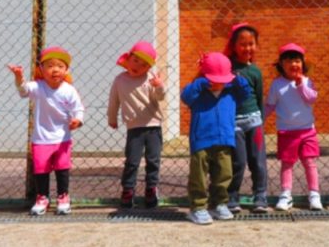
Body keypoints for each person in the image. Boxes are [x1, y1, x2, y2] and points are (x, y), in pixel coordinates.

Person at [7, 46, 84, 216]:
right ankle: (42, 197)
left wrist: (77, 121)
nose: (55, 70)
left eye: (60, 66)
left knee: (62, 169)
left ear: (66, 70)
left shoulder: (69, 90)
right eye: (49, 66)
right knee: (41, 170)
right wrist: (19, 77)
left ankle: (63, 197)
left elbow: (78, 109)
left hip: (63, 139)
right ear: (41, 69)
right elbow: (23, 91)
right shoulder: (38, 87)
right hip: (41, 139)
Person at [180, 52, 253, 224]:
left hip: (225, 139)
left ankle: (219, 204)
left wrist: (238, 79)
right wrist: (199, 83)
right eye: (214, 79)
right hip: (201, 140)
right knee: (198, 176)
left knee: (224, 174)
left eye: (223, 79)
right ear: (205, 77)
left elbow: (246, 93)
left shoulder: (231, 92)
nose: (219, 83)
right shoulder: (198, 92)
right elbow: (185, 96)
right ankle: (198, 207)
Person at [264, 43, 323, 211]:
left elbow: (311, 99)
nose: (293, 64)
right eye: (289, 61)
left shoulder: (307, 81)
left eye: (297, 61)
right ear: (281, 65)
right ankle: (286, 195)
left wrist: (300, 85)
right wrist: (260, 119)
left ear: (302, 64)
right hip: (287, 132)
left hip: (307, 130)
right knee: (287, 164)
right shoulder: (277, 84)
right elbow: (270, 105)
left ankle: (314, 194)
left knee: (309, 162)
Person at [107, 39, 166, 209]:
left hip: (153, 126)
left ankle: (151, 188)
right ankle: (128, 189)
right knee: (132, 161)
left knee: (153, 160)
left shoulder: (150, 78)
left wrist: (159, 87)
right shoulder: (120, 80)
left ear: (148, 68)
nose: (137, 66)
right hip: (134, 128)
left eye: (144, 64)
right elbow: (114, 101)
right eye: (135, 60)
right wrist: (112, 117)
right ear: (128, 58)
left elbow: (160, 97)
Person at [223, 22, 269, 213]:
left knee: (258, 161)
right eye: (242, 44)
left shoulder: (255, 71)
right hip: (234, 124)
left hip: (254, 123)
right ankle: (232, 195)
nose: (247, 48)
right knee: (238, 162)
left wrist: (261, 121)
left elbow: (259, 97)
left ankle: (260, 195)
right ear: (234, 46)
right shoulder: (227, 68)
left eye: (251, 44)